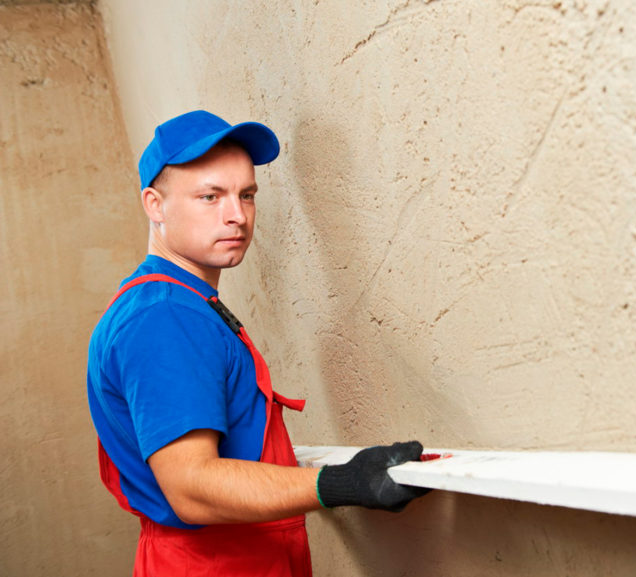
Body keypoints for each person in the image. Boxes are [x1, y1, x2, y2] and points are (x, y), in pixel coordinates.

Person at [87, 110, 430, 576]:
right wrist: (344, 483)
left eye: (246, 195)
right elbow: (192, 486)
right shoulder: (164, 315)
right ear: (155, 205)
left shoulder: (182, 302)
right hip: (215, 563)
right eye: (210, 196)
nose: (237, 215)